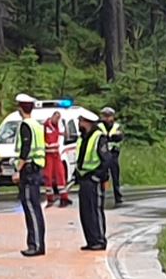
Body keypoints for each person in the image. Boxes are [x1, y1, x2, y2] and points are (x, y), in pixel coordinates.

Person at [14, 93, 46, 257]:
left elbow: (25, 149)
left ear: (20, 108)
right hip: (36, 168)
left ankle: (36, 245)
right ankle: (37, 243)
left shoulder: (25, 125)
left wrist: (18, 170)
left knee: (31, 208)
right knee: (35, 207)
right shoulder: (37, 125)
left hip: (29, 170)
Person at [74, 112, 110, 251]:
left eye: (80, 121)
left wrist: (99, 176)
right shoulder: (82, 137)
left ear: (87, 122)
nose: (79, 124)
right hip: (83, 179)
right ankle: (91, 240)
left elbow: (106, 160)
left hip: (94, 179)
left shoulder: (99, 137)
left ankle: (99, 240)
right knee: (85, 212)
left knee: (95, 210)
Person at [43, 111, 72, 207]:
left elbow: (63, 135)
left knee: (60, 175)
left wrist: (66, 128)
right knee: (48, 177)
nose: (57, 120)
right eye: (56, 118)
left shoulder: (57, 126)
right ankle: (50, 198)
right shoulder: (46, 126)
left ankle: (64, 197)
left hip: (56, 154)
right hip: (48, 155)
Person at [101, 106, 124, 206]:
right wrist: (111, 137)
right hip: (103, 154)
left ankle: (118, 196)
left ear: (112, 117)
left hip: (114, 154)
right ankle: (101, 195)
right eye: (105, 116)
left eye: (109, 116)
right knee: (103, 176)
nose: (107, 118)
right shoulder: (99, 126)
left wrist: (109, 138)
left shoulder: (117, 126)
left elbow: (119, 137)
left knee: (115, 176)